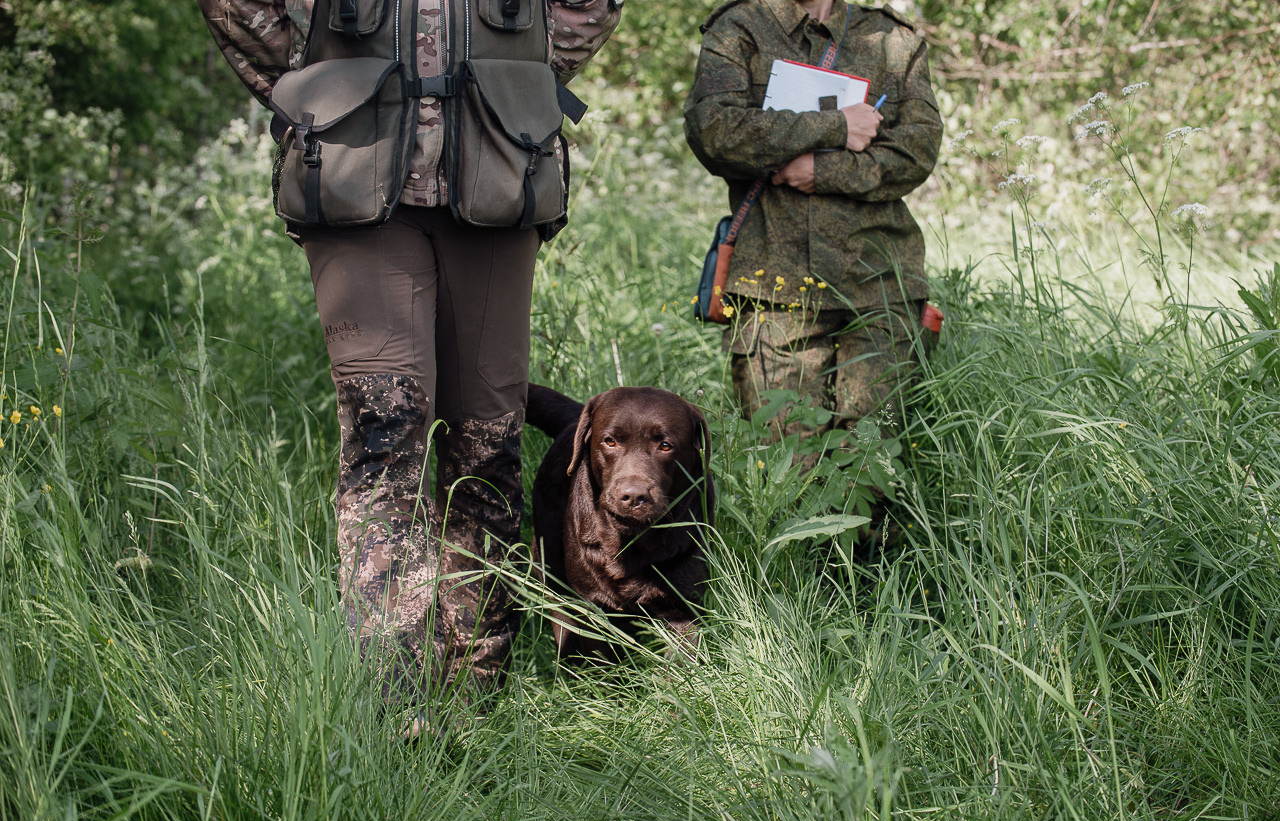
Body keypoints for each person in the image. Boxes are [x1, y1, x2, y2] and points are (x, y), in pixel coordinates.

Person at [198, 0, 622, 722]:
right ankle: (389, 704)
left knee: (489, 446)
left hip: (497, 171)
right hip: (353, 173)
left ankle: (475, 699)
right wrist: (315, 86)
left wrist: (516, 76)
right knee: (383, 436)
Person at [683, 0, 942, 455]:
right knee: (787, 469)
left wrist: (822, 172)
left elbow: (917, 151)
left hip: (879, 287)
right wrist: (834, 126)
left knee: (870, 466)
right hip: (775, 296)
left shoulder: (895, 41)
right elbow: (715, 132)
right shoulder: (738, 29)